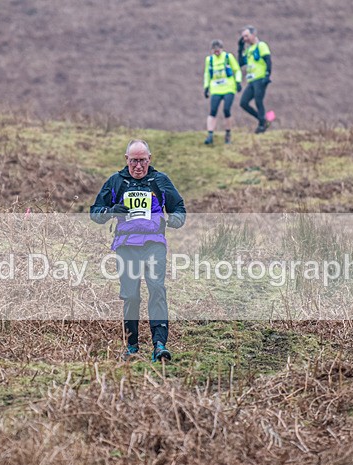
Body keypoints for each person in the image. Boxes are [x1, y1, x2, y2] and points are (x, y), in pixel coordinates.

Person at [89, 139, 186, 362]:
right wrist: (112, 210)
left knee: (157, 289)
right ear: (127, 159)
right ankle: (131, 345)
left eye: (143, 161)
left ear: (149, 159)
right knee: (131, 295)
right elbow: (95, 213)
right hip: (126, 246)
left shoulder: (160, 181)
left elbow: (179, 208)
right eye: (134, 161)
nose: (139, 166)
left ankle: (159, 345)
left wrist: (174, 220)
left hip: (154, 244)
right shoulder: (116, 181)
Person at [203, 39, 243, 145]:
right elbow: (207, 74)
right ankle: (210, 135)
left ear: (222, 49)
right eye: (214, 51)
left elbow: (237, 70)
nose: (216, 53)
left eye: (218, 50)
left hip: (229, 88)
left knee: (226, 110)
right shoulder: (209, 60)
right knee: (213, 110)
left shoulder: (228, 57)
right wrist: (206, 87)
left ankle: (228, 134)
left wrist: (238, 82)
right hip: (216, 89)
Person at [238, 25, 272, 133]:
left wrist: (267, 75)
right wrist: (240, 48)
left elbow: (268, 60)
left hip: (260, 78)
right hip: (251, 80)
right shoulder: (249, 49)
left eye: (246, 36)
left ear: (253, 35)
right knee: (243, 102)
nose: (245, 39)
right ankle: (263, 120)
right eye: (243, 37)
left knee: (258, 100)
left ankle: (262, 126)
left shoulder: (261, 45)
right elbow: (241, 63)